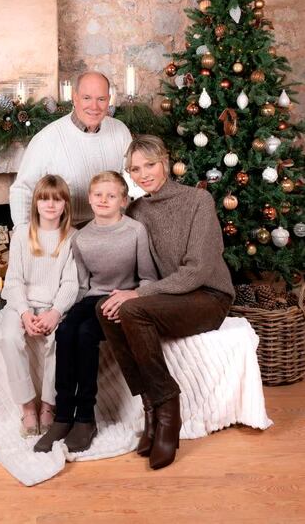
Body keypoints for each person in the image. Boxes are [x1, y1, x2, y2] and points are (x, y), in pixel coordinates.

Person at [97, 135, 235, 470]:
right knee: (105, 308)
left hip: (207, 296)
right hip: (169, 296)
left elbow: (198, 270)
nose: (143, 174)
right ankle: (150, 407)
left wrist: (140, 294)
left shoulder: (198, 200)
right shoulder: (138, 210)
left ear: (164, 161)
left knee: (133, 307)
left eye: (149, 165)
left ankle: (167, 406)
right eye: (135, 169)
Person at [34, 171, 157, 454]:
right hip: (91, 299)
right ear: (89, 199)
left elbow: (148, 277)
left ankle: (85, 418)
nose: (104, 200)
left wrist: (132, 298)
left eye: (111, 196)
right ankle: (63, 416)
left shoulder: (135, 231)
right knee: (66, 331)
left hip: (122, 299)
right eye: (98, 195)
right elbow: (80, 285)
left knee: (88, 334)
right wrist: (61, 312)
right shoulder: (82, 237)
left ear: (124, 201)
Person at [0, 174, 79, 436]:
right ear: (36, 203)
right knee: (8, 337)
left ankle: (48, 405)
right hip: (21, 305)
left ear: (65, 204)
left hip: (54, 306)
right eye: (44, 199)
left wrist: (55, 312)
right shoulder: (22, 234)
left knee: (60, 340)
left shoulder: (73, 237)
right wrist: (24, 313)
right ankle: (28, 406)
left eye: (57, 199)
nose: (50, 205)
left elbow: (71, 283)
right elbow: (14, 279)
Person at [9, 71, 132, 227]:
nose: (94, 106)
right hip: (67, 233)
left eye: (101, 99)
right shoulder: (47, 139)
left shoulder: (120, 131)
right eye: (87, 98)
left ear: (108, 100)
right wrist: (23, 233)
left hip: (112, 226)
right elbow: (23, 189)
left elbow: (133, 182)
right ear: (75, 97)